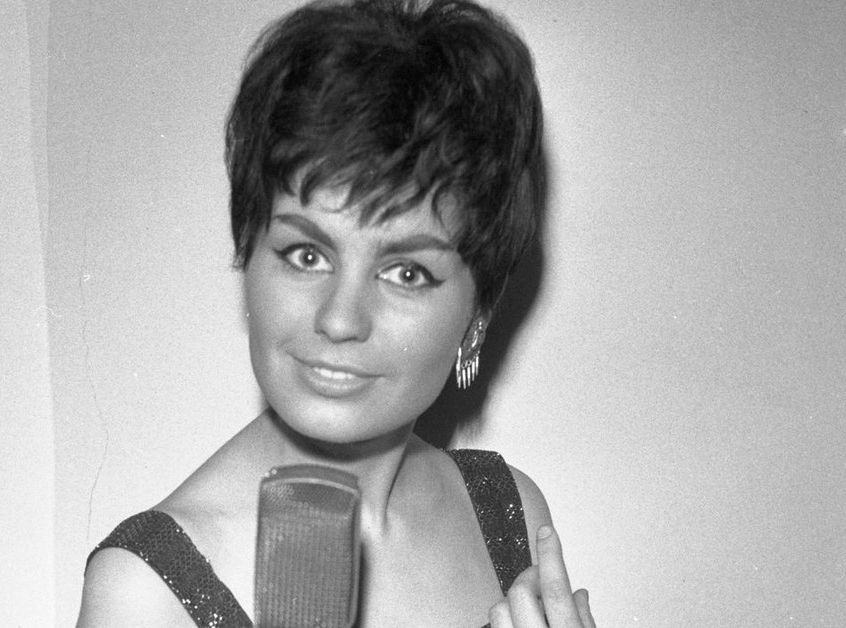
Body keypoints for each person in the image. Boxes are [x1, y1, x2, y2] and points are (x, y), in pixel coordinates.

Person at [78, 1, 596, 626]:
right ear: (250, 254)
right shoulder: (146, 593)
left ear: (477, 311)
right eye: (307, 255)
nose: (340, 319)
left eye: (406, 273)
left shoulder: (509, 515)